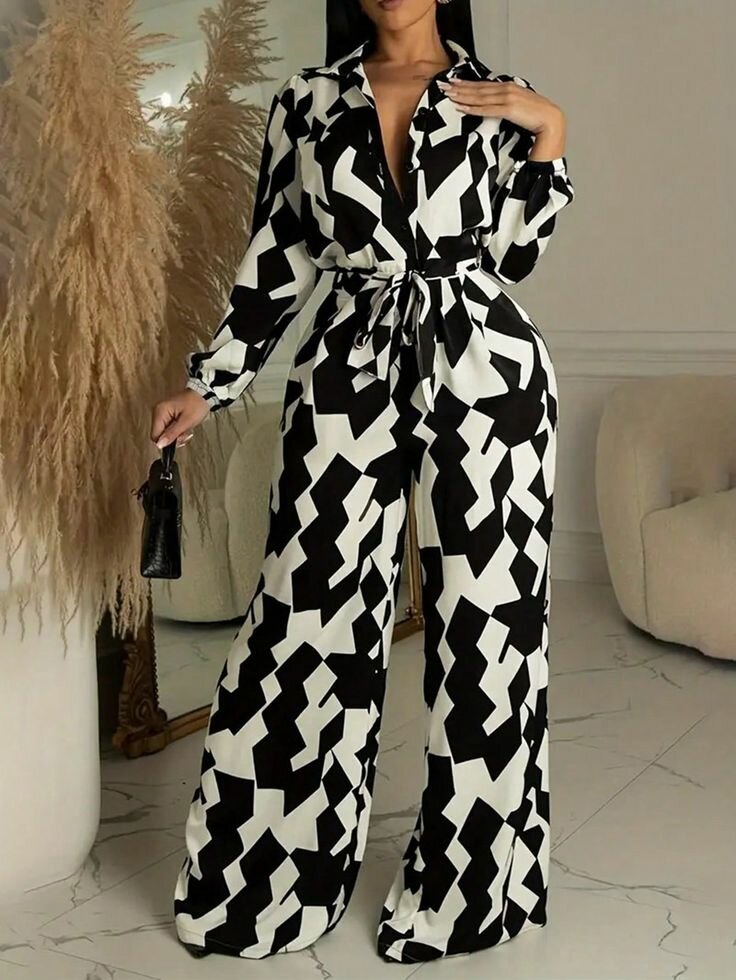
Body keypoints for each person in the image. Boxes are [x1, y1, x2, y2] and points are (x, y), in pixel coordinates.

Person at [151, 0, 575, 965]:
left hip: (489, 374)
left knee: (491, 630)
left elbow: (514, 257)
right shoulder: (307, 101)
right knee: (306, 614)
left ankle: (472, 891)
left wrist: (550, 131)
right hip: (346, 367)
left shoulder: (498, 97)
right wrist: (210, 383)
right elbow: (277, 258)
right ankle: (266, 883)